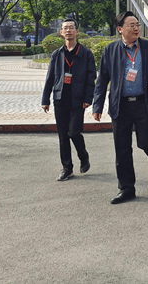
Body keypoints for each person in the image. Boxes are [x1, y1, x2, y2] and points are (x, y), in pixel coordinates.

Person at [92, 11, 148, 205]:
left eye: (137, 25)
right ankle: (126, 188)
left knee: (147, 142)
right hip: (121, 106)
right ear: (120, 30)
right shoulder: (110, 50)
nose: (136, 28)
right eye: (131, 25)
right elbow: (102, 80)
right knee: (122, 149)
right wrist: (97, 105)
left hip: (144, 103)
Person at [42, 19, 96, 181]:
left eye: (71, 28)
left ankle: (83, 155)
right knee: (62, 135)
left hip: (77, 100)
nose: (68, 31)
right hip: (60, 99)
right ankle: (67, 167)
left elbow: (91, 78)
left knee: (73, 132)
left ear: (77, 31)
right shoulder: (57, 54)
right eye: (65, 28)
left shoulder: (85, 54)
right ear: (61, 32)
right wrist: (45, 99)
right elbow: (50, 77)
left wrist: (88, 98)